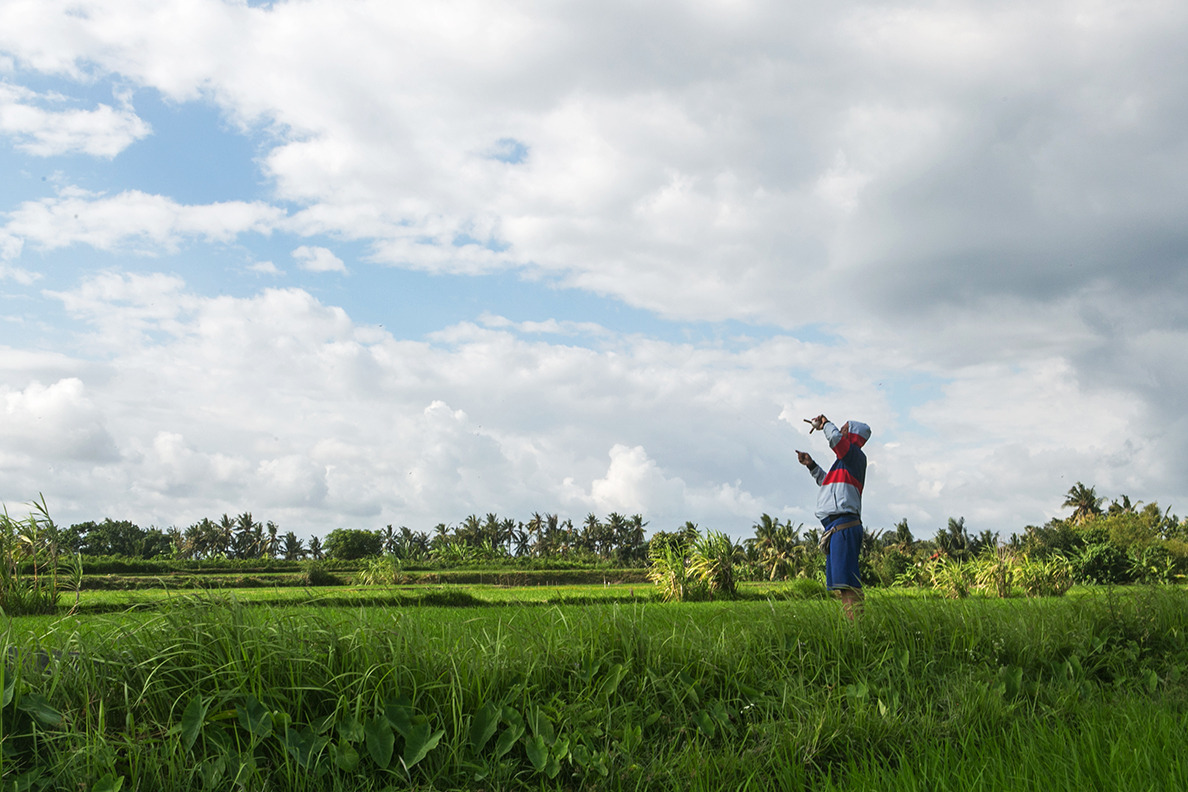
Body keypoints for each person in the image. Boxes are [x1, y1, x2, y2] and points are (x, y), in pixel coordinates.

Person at [797, 415, 871, 618]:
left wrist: (825, 424)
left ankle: (857, 627)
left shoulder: (854, 455)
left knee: (849, 584)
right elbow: (827, 484)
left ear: (853, 435)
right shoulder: (843, 463)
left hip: (844, 526)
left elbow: (835, 439)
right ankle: (854, 626)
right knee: (843, 584)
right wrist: (811, 465)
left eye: (845, 428)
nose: (840, 430)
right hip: (837, 528)